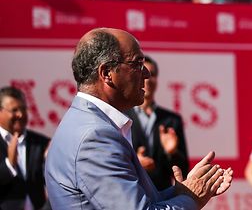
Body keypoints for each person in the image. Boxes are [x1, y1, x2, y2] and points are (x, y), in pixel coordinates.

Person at [45, 28, 233, 209]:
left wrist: (182, 193)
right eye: (137, 64)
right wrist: (191, 199)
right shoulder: (94, 137)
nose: (147, 74)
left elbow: (138, 201)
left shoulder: (87, 123)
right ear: (107, 73)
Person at [125, 55, 189, 191]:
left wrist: (172, 152)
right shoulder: (121, 116)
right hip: (131, 193)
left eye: (152, 74)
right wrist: (135, 163)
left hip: (163, 195)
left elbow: (184, 170)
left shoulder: (172, 120)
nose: (147, 79)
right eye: (142, 73)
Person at [0, 86, 49, 209]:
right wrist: (10, 165)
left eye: (23, 109)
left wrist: (53, 161)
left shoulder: (41, 143)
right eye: (14, 110)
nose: (20, 114)